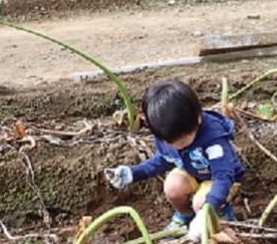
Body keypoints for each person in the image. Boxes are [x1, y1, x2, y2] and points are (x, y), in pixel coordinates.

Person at [105, 80, 245, 233]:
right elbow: (162, 160)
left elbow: (223, 178)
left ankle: (221, 215)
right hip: (193, 172)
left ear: (198, 118)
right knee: (172, 187)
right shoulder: (166, 135)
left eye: (183, 140)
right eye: (169, 142)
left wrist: (208, 208)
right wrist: (132, 173)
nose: (177, 146)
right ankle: (186, 216)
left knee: (201, 202)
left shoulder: (213, 140)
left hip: (222, 180)